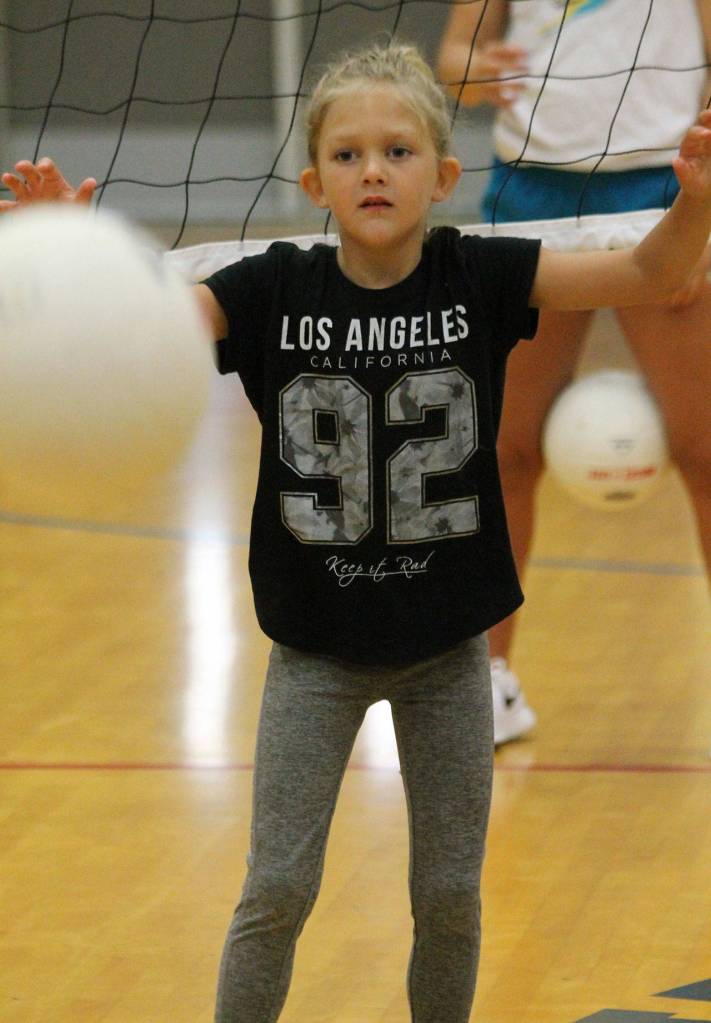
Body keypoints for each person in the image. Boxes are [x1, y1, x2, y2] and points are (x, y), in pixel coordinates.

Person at [4, 40, 711, 1023]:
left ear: (444, 172)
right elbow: (141, 324)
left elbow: (647, 271)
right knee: (276, 891)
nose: (372, 169)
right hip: (315, 658)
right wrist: (72, 262)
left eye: (397, 150)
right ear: (313, 180)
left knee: (450, 899)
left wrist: (696, 203)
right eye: (347, 155)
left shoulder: (485, 275)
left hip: (448, 657)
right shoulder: (270, 289)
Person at [438, 0, 711, 745]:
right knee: (500, 449)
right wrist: (474, 69)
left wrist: (703, 216)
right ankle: (487, 682)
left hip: (665, 187)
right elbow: (455, 59)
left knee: (704, 451)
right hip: (531, 192)